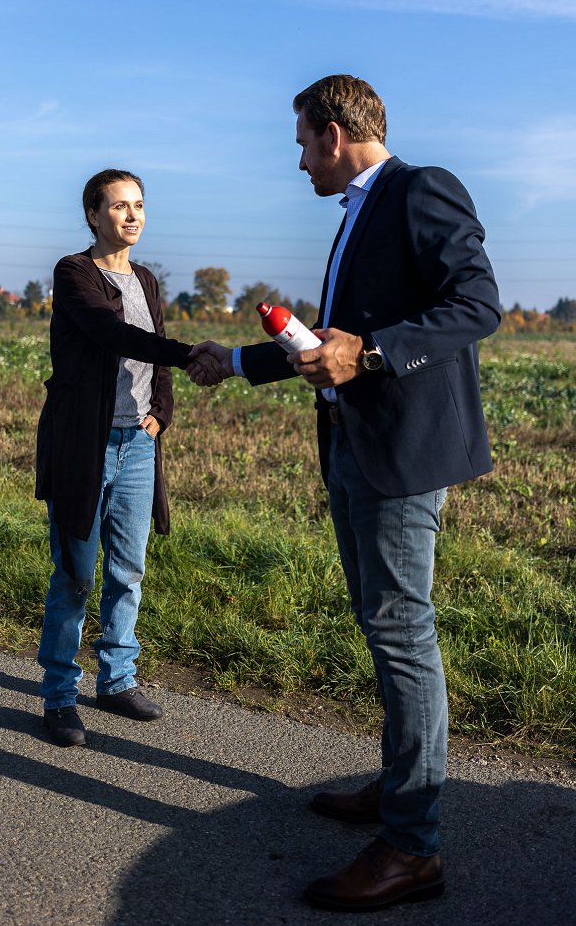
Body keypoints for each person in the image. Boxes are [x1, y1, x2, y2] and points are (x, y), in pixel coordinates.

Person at [189, 75, 500, 913]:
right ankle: (403, 786)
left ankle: (411, 847)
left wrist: (367, 356)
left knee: (402, 630)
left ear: (332, 134)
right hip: (353, 447)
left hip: (400, 456)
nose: (298, 163)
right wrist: (239, 360)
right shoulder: (359, 211)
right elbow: (326, 341)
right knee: (381, 622)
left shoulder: (418, 188)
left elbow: (476, 305)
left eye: (300, 144)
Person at [35, 168, 220, 748]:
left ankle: (116, 680)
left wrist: (162, 411)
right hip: (83, 444)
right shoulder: (74, 274)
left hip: (138, 444)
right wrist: (194, 353)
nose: (132, 216)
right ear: (93, 215)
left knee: (128, 569)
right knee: (76, 575)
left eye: (139, 205)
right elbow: (112, 335)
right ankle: (60, 696)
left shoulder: (145, 279)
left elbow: (153, 361)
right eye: (119, 207)